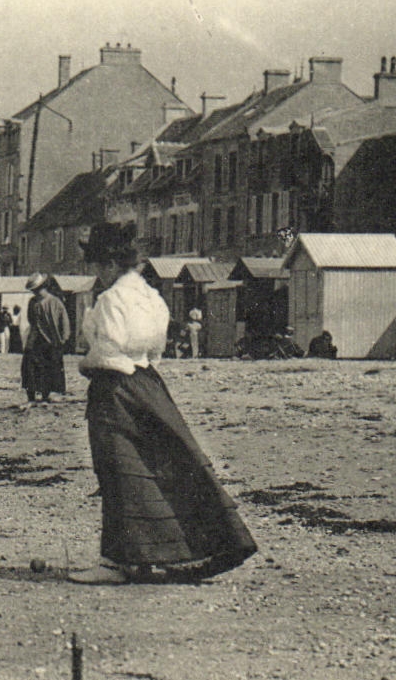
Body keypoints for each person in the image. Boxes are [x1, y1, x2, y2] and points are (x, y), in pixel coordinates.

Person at [69, 223, 257, 585]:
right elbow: (156, 349)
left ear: (108, 264)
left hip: (114, 386)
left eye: (96, 264)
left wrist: (87, 361)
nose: (96, 273)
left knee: (117, 471)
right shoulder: (152, 297)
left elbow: (105, 349)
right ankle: (163, 553)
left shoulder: (110, 300)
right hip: (149, 384)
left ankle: (115, 562)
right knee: (159, 466)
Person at [21, 273, 69, 403]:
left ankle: (45, 394)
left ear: (44, 287)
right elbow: (31, 320)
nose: (36, 292)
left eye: (37, 289)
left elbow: (64, 321)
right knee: (29, 365)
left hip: (50, 340)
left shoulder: (54, 302)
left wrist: (63, 338)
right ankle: (31, 394)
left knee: (48, 367)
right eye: (33, 290)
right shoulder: (32, 302)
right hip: (35, 338)